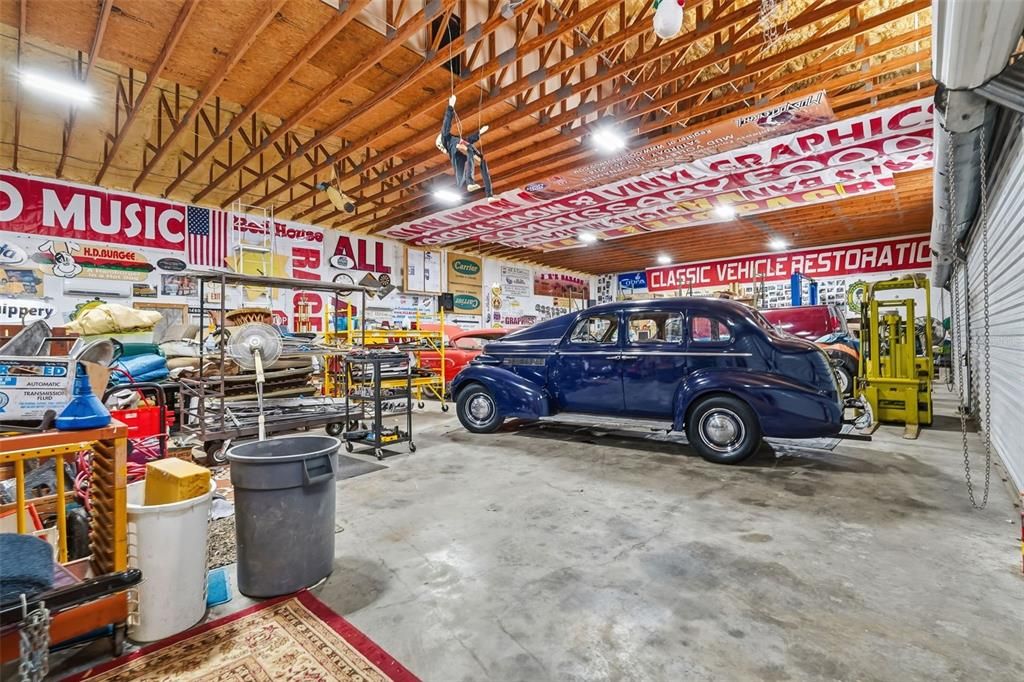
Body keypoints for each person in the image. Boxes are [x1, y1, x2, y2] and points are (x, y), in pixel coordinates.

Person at [435, 95, 494, 198]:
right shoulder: (446, 138)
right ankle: (470, 182)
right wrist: (450, 106)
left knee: (483, 162)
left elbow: (469, 139)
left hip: (462, 151)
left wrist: (480, 132)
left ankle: (489, 195)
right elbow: (446, 124)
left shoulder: (457, 139)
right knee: (469, 151)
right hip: (458, 150)